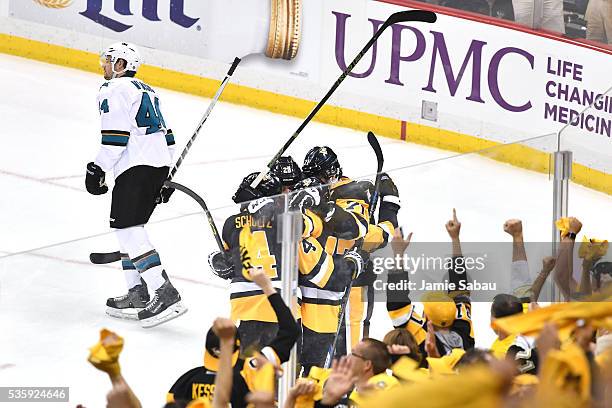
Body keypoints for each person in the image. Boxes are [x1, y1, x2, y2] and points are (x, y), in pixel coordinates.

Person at [85, 42, 185, 328]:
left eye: (109, 60)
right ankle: (137, 292)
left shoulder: (112, 89)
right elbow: (168, 137)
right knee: (128, 230)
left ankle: (164, 292)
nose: (104, 64)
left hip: (135, 168)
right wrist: (165, 175)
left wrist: (97, 168)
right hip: (155, 166)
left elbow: (115, 137)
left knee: (128, 231)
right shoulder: (147, 90)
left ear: (120, 65)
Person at [167, 268, 299, 407]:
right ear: (237, 345)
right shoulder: (251, 367)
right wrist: (267, 288)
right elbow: (290, 330)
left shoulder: (185, 382)